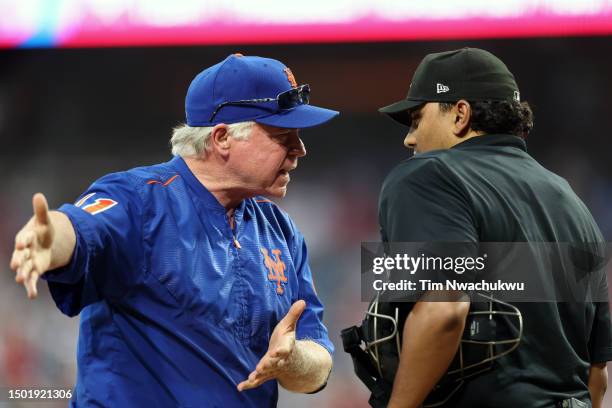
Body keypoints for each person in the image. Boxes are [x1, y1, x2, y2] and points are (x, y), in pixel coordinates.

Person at [9, 54, 338, 407]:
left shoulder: (280, 231)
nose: (298, 151)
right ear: (223, 137)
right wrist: (51, 237)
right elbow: (81, 229)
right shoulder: (139, 199)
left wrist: (294, 361)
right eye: (282, 136)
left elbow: (318, 363)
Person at [367, 48, 611, 407]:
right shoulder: (571, 200)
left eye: (418, 119)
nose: (410, 138)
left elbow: (445, 308)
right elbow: (597, 373)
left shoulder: (429, 175)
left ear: (460, 114)